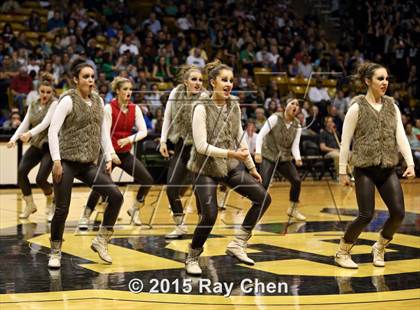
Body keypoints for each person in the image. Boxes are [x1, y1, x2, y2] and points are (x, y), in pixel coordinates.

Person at [185, 60, 272, 275]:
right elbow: (201, 146)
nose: (228, 84)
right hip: (204, 166)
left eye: (231, 80)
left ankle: (238, 243)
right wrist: (232, 154)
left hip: (228, 164)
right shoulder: (200, 107)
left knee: (263, 199)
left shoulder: (233, 105)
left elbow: (239, 136)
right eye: (224, 80)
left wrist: (251, 166)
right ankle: (193, 255)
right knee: (210, 214)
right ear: (213, 82)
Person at [336, 62, 415, 269]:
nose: (385, 83)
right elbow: (345, 142)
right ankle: (342, 252)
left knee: (398, 213)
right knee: (366, 215)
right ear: (367, 81)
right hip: (365, 169)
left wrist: (410, 163)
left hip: (388, 168)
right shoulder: (356, 107)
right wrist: (342, 171)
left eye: (387, 79)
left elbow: (401, 137)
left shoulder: (392, 106)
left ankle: (379, 246)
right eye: (380, 79)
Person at [47, 58, 124, 269]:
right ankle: (55, 251)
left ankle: (101, 241)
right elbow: (52, 131)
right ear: (75, 80)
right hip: (66, 161)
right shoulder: (68, 100)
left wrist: (110, 155)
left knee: (116, 196)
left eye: (92, 76)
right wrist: (56, 161)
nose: (90, 80)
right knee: (62, 209)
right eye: (85, 77)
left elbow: (102, 134)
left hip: (88, 162)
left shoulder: (99, 101)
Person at [78, 76, 153, 229]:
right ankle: (86, 215)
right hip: (108, 154)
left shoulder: (135, 108)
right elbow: (104, 134)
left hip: (124, 154)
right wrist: (110, 155)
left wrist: (129, 140)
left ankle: (135, 210)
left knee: (147, 180)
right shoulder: (108, 108)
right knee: (100, 185)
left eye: (130, 89)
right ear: (117, 91)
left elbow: (144, 131)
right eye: (125, 89)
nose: (129, 92)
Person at [159, 65, 204, 239]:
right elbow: (167, 117)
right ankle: (180, 225)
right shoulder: (175, 94)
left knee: (200, 189)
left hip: (199, 148)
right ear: (185, 82)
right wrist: (163, 140)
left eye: (200, 80)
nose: (198, 83)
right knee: (171, 188)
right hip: (181, 146)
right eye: (194, 79)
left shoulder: (206, 98)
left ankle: (202, 227)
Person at [7, 73, 57, 221]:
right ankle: (29, 204)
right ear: (38, 91)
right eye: (42, 91)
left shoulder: (54, 104)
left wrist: (28, 134)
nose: (45, 95)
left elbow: (45, 124)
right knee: (21, 171)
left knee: (41, 179)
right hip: (36, 144)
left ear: (52, 92)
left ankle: (51, 200)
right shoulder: (33, 104)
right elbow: (25, 123)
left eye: (48, 92)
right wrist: (13, 138)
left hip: (50, 145)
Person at [255, 98, 305, 220]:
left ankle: (293, 209)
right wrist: (258, 152)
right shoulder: (275, 118)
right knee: (264, 184)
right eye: (292, 103)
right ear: (285, 106)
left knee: (296, 181)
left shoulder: (297, 125)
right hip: (269, 155)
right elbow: (260, 135)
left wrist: (297, 158)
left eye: (297, 105)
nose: (295, 106)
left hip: (284, 158)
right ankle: (256, 207)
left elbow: (295, 146)